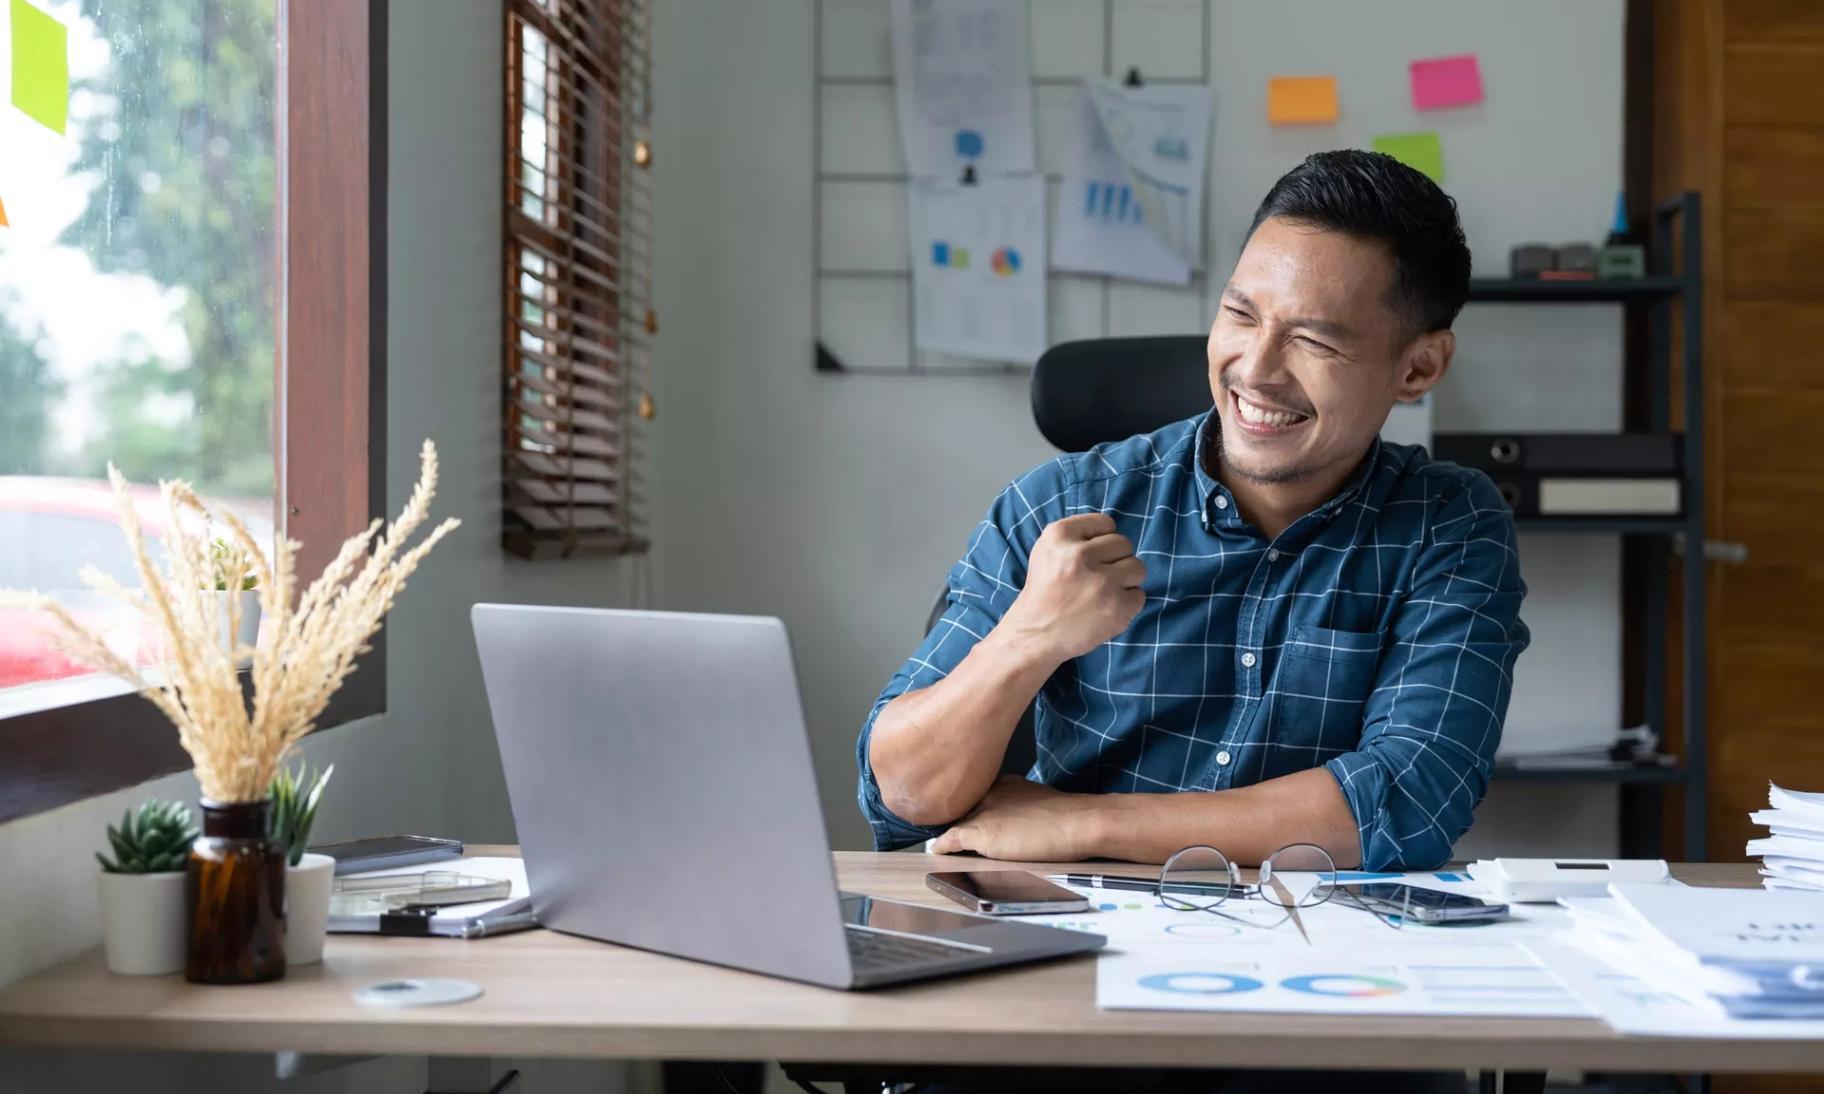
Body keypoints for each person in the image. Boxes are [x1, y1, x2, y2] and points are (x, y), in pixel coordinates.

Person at [857, 149, 1528, 873]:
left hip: (1321, 947)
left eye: (1311, 339)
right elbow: (901, 793)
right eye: (1240, 314)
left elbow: (1411, 800)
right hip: (1076, 935)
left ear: (1419, 367)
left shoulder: (1448, 525)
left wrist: (1082, 824)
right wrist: (1030, 636)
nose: (1256, 370)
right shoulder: (1062, 504)